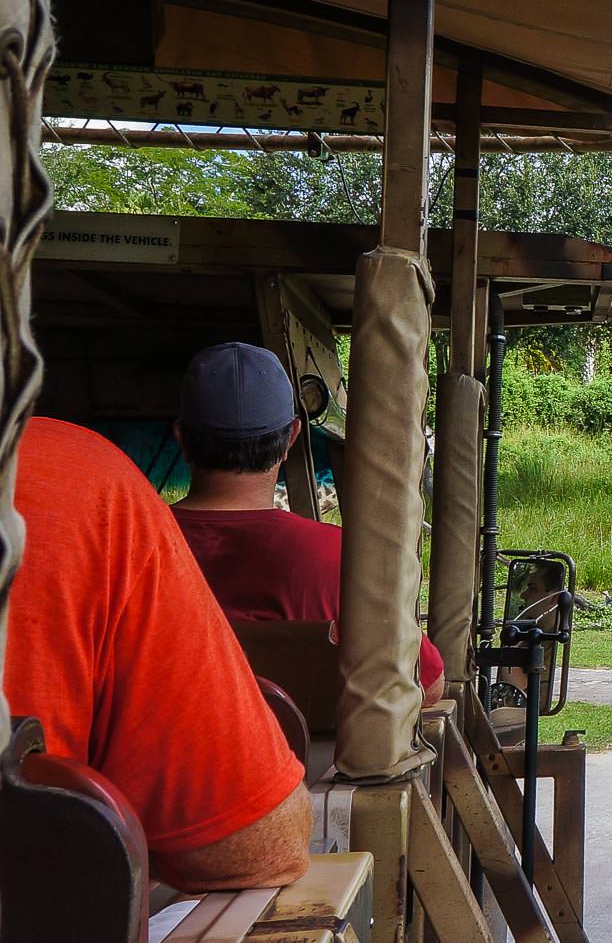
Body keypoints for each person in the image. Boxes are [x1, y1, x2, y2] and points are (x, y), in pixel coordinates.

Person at [4, 417, 311, 891]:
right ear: (292, 437)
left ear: (181, 436)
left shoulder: (118, 514)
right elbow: (254, 845)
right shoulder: (94, 497)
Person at [169, 343, 444, 705]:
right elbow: (426, 685)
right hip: (303, 761)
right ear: (292, 438)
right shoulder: (341, 557)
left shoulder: (125, 547)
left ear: (180, 436)